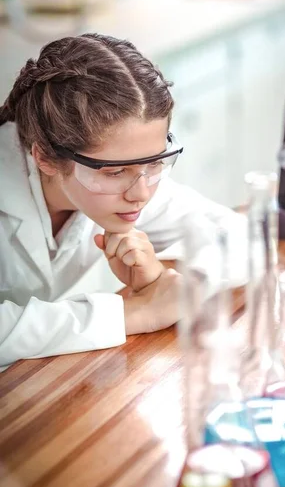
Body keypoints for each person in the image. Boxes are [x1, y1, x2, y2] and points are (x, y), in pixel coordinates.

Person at [0, 33, 248, 371]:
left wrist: (168, 286)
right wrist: (132, 312)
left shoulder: (118, 182)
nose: (141, 193)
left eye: (155, 163)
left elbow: (239, 235)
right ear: (44, 157)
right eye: (115, 171)